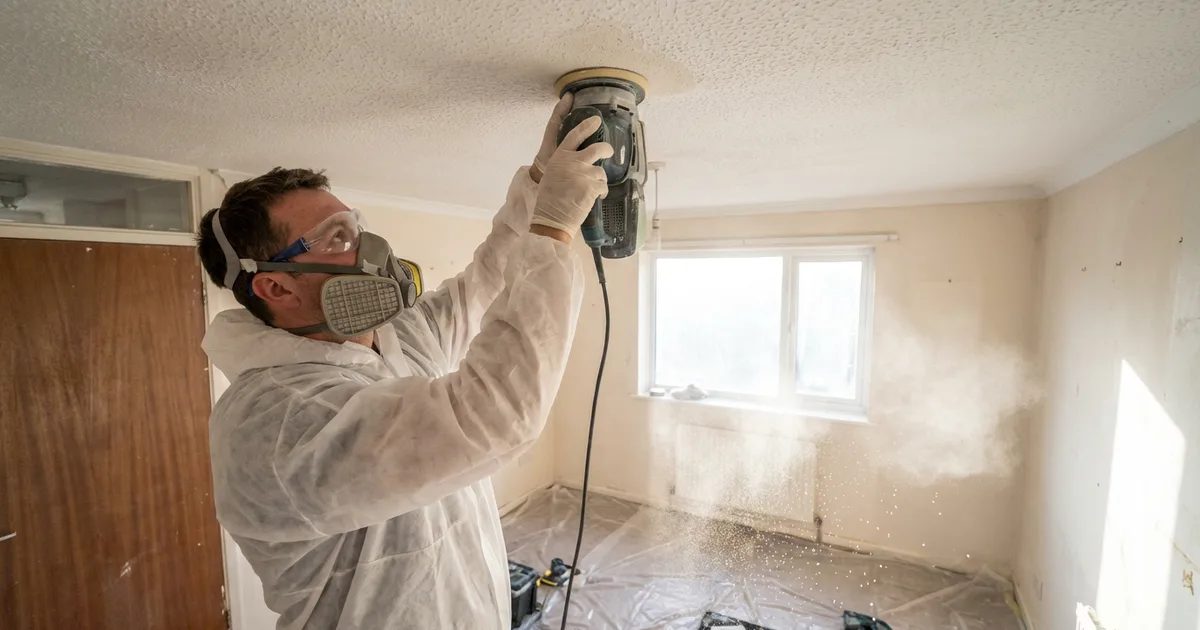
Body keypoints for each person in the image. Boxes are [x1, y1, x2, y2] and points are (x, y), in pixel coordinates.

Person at [194, 95, 612, 629]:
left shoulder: (397, 340)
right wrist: (553, 232)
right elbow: (493, 418)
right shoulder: (275, 422)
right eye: (338, 237)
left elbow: (486, 281)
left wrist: (537, 183)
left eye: (357, 225)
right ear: (275, 285)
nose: (369, 246)